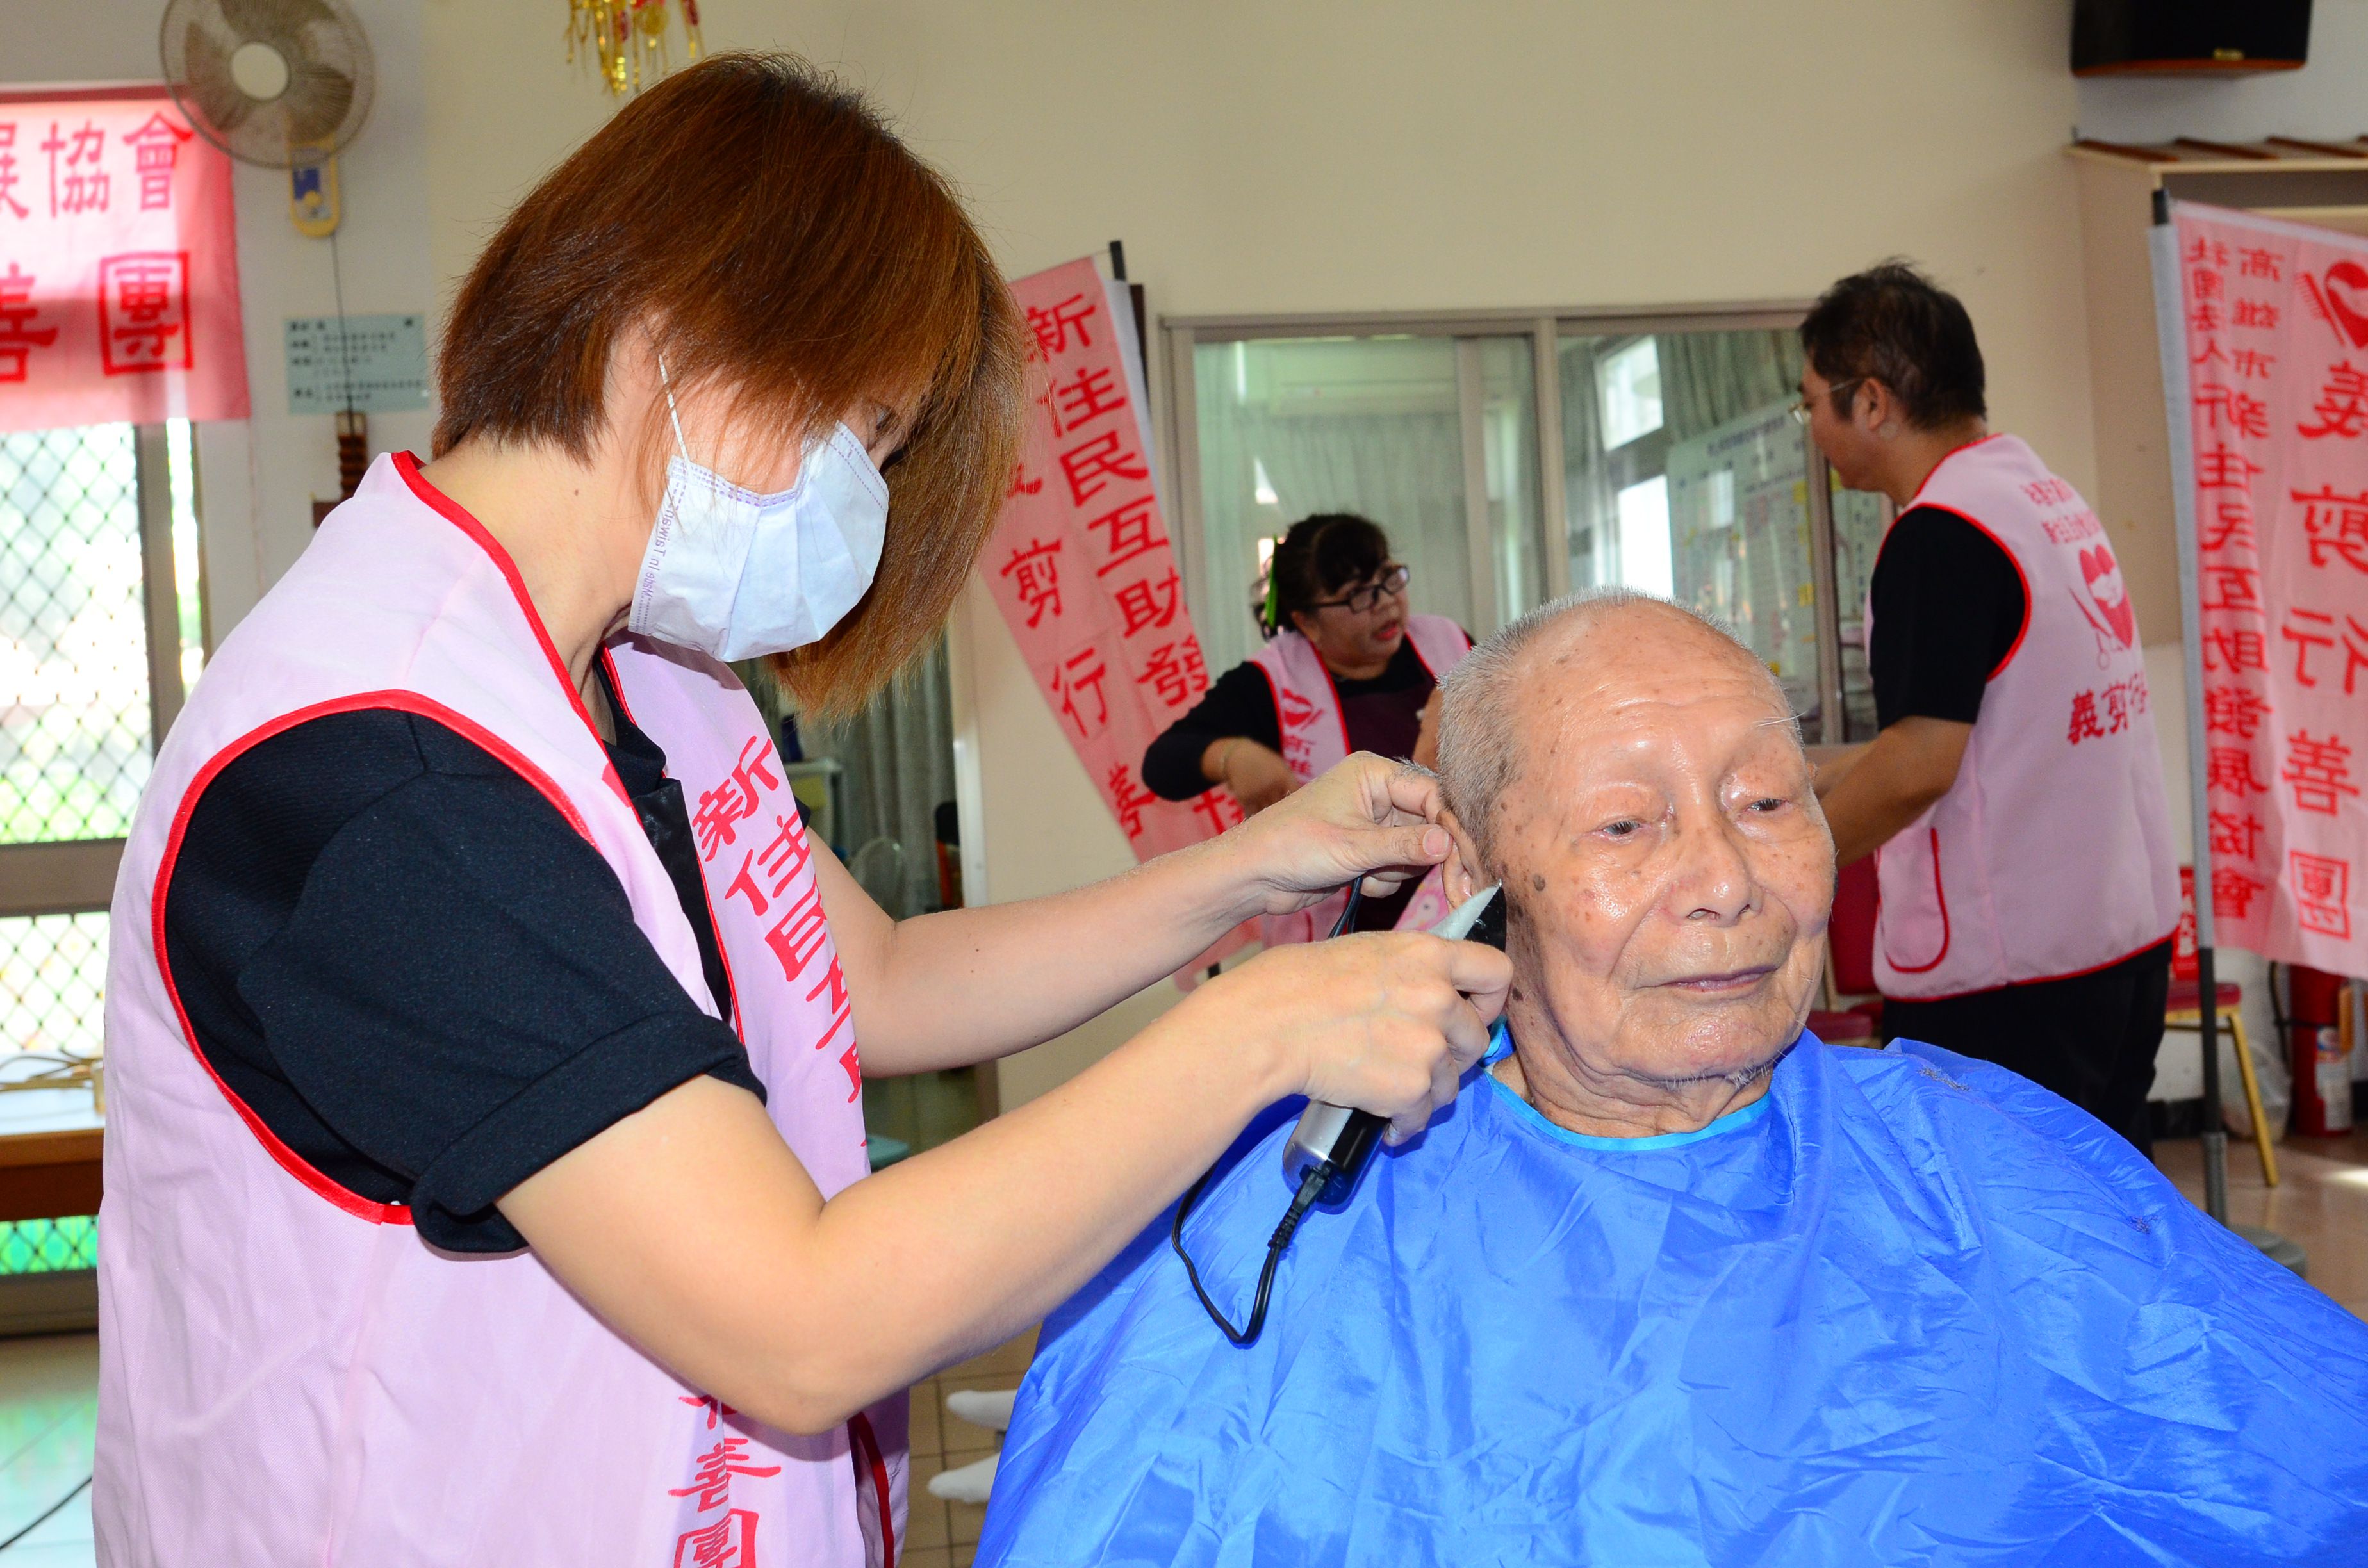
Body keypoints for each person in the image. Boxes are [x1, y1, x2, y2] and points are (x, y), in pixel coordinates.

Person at [94, 56, 1511, 1567]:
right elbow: (799, 1314)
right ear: (677, 331)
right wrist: (1270, 1026)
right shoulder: (384, 768)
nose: (868, 498)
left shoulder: (639, 675)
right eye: (868, 434)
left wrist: (1254, 866)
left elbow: (876, 980)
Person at [975, 594, 2368, 1568]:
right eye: (1627, 825)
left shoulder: (1975, 1154)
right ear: (1468, 883)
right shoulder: (1285, 1219)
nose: (1727, 881)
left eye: (1770, 802)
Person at [1800, 262, 2180, 1154]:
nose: (1812, 426)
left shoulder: (1940, 534)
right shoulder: (2036, 495)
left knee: (2005, 1241)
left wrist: (1785, 873)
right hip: (2117, 943)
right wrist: (1801, 772)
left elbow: (1922, 762)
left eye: (1814, 401)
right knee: (2092, 1225)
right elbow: (1988, 724)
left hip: (2014, 982)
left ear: (1874, 402)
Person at [1142, 512, 1471, 935]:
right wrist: (1233, 755)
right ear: (1306, 621)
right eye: (1357, 596)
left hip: (1453, 909)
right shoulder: (1271, 682)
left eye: (1389, 579)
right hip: (1338, 935)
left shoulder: (1449, 642)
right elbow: (1162, 763)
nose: (1386, 602)